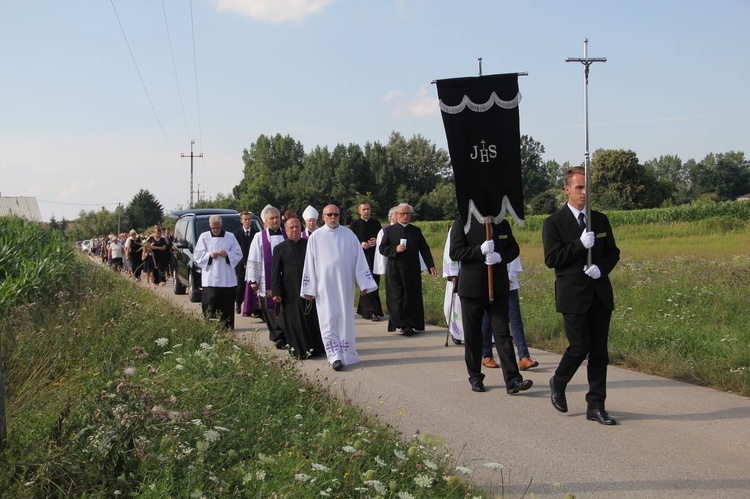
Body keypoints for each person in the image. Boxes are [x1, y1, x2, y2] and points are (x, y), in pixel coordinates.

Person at [543, 166, 621, 425]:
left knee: (599, 352)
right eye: (579, 187)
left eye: (588, 187)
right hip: (573, 294)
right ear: (567, 189)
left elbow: (613, 252)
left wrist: (602, 267)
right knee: (580, 347)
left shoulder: (599, 219)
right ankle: (559, 381)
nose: (585, 192)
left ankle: (596, 405)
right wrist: (579, 246)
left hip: (599, 293)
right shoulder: (553, 222)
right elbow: (552, 259)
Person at [449, 215, 532, 395]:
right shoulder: (463, 223)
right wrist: (480, 251)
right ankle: (475, 377)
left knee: (503, 334)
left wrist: (499, 256)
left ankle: (513, 380)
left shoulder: (501, 222)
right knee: (473, 335)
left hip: (498, 288)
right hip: (472, 289)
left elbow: (514, 248)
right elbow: (455, 252)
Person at [300, 204, 378, 371]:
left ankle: (347, 353)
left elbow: (359, 260)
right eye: (329, 215)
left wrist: (364, 283)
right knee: (327, 320)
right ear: (323, 217)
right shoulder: (316, 237)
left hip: (345, 285)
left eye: (336, 214)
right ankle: (334, 355)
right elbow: (309, 264)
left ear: (339, 216)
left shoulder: (349, 235)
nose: (333, 217)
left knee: (345, 319)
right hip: (324, 287)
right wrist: (309, 288)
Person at [378, 203, 437, 336]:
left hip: (412, 269)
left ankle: (411, 323)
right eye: (402, 214)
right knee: (397, 297)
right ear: (397, 215)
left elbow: (424, 249)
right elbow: (382, 248)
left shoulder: (416, 231)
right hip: (395, 269)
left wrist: (430, 265)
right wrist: (395, 249)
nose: (405, 216)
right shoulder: (389, 231)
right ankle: (401, 324)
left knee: (411, 296)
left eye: (407, 214)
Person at [271, 217, 325, 358]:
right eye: (291, 228)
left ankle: (316, 348)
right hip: (290, 291)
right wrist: (276, 292)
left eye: (297, 227)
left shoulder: (309, 245)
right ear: (286, 230)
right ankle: (298, 350)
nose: (295, 230)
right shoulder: (280, 249)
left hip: (310, 288)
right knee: (294, 322)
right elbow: (276, 272)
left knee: (312, 319)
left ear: (301, 229)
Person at [479, 257, 539, 370]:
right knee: (487, 320)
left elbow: (512, 253)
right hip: (488, 283)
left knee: (516, 320)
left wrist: (508, 276)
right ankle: (487, 355)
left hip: (509, 284)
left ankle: (524, 357)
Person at [246, 205, 287, 348]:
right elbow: (254, 258)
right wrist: (253, 279)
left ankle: (287, 333)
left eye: (277, 217)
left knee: (286, 305)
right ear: (266, 221)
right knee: (269, 307)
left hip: (286, 278)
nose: (275, 220)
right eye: (272, 218)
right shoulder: (260, 237)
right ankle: (277, 335)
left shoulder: (286, 234)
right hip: (266, 278)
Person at [194, 215, 244, 330]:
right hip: (211, 278)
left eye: (217, 227)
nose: (216, 230)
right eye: (213, 228)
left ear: (221, 226)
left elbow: (238, 253)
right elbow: (197, 255)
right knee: (210, 305)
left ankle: (227, 325)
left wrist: (228, 255)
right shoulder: (204, 237)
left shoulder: (230, 236)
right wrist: (209, 255)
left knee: (226, 304)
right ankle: (211, 327)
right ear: (210, 226)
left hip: (227, 278)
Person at [349, 202, 384, 321]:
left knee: (374, 282)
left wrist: (376, 241)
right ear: (359, 211)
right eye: (364, 209)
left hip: (374, 256)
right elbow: (350, 241)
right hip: (361, 257)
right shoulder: (354, 224)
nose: (366, 211)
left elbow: (381, 238)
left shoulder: (376, 223)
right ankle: (371, 311)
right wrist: (360, 244)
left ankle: (369, 310)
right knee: (366, 282)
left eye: (368, 209)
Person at [442, 225, 464, 345]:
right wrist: (452, 272)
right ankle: (457, 333)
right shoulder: (458, 226)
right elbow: (450, 250)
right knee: (456, 305)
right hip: (459, 271)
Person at [233, 211, 258, 314]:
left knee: (253, 285)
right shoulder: (236, 234)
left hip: (253, 263)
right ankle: (238, 303)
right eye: (245, 219)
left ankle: (254, 308)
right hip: (241, 264)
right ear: (241, 221)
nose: (247, 221)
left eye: (249, 219)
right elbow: (236, 250)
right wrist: (244, 262)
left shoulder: (256, 233)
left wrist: (251, 262)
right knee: (240, 286)